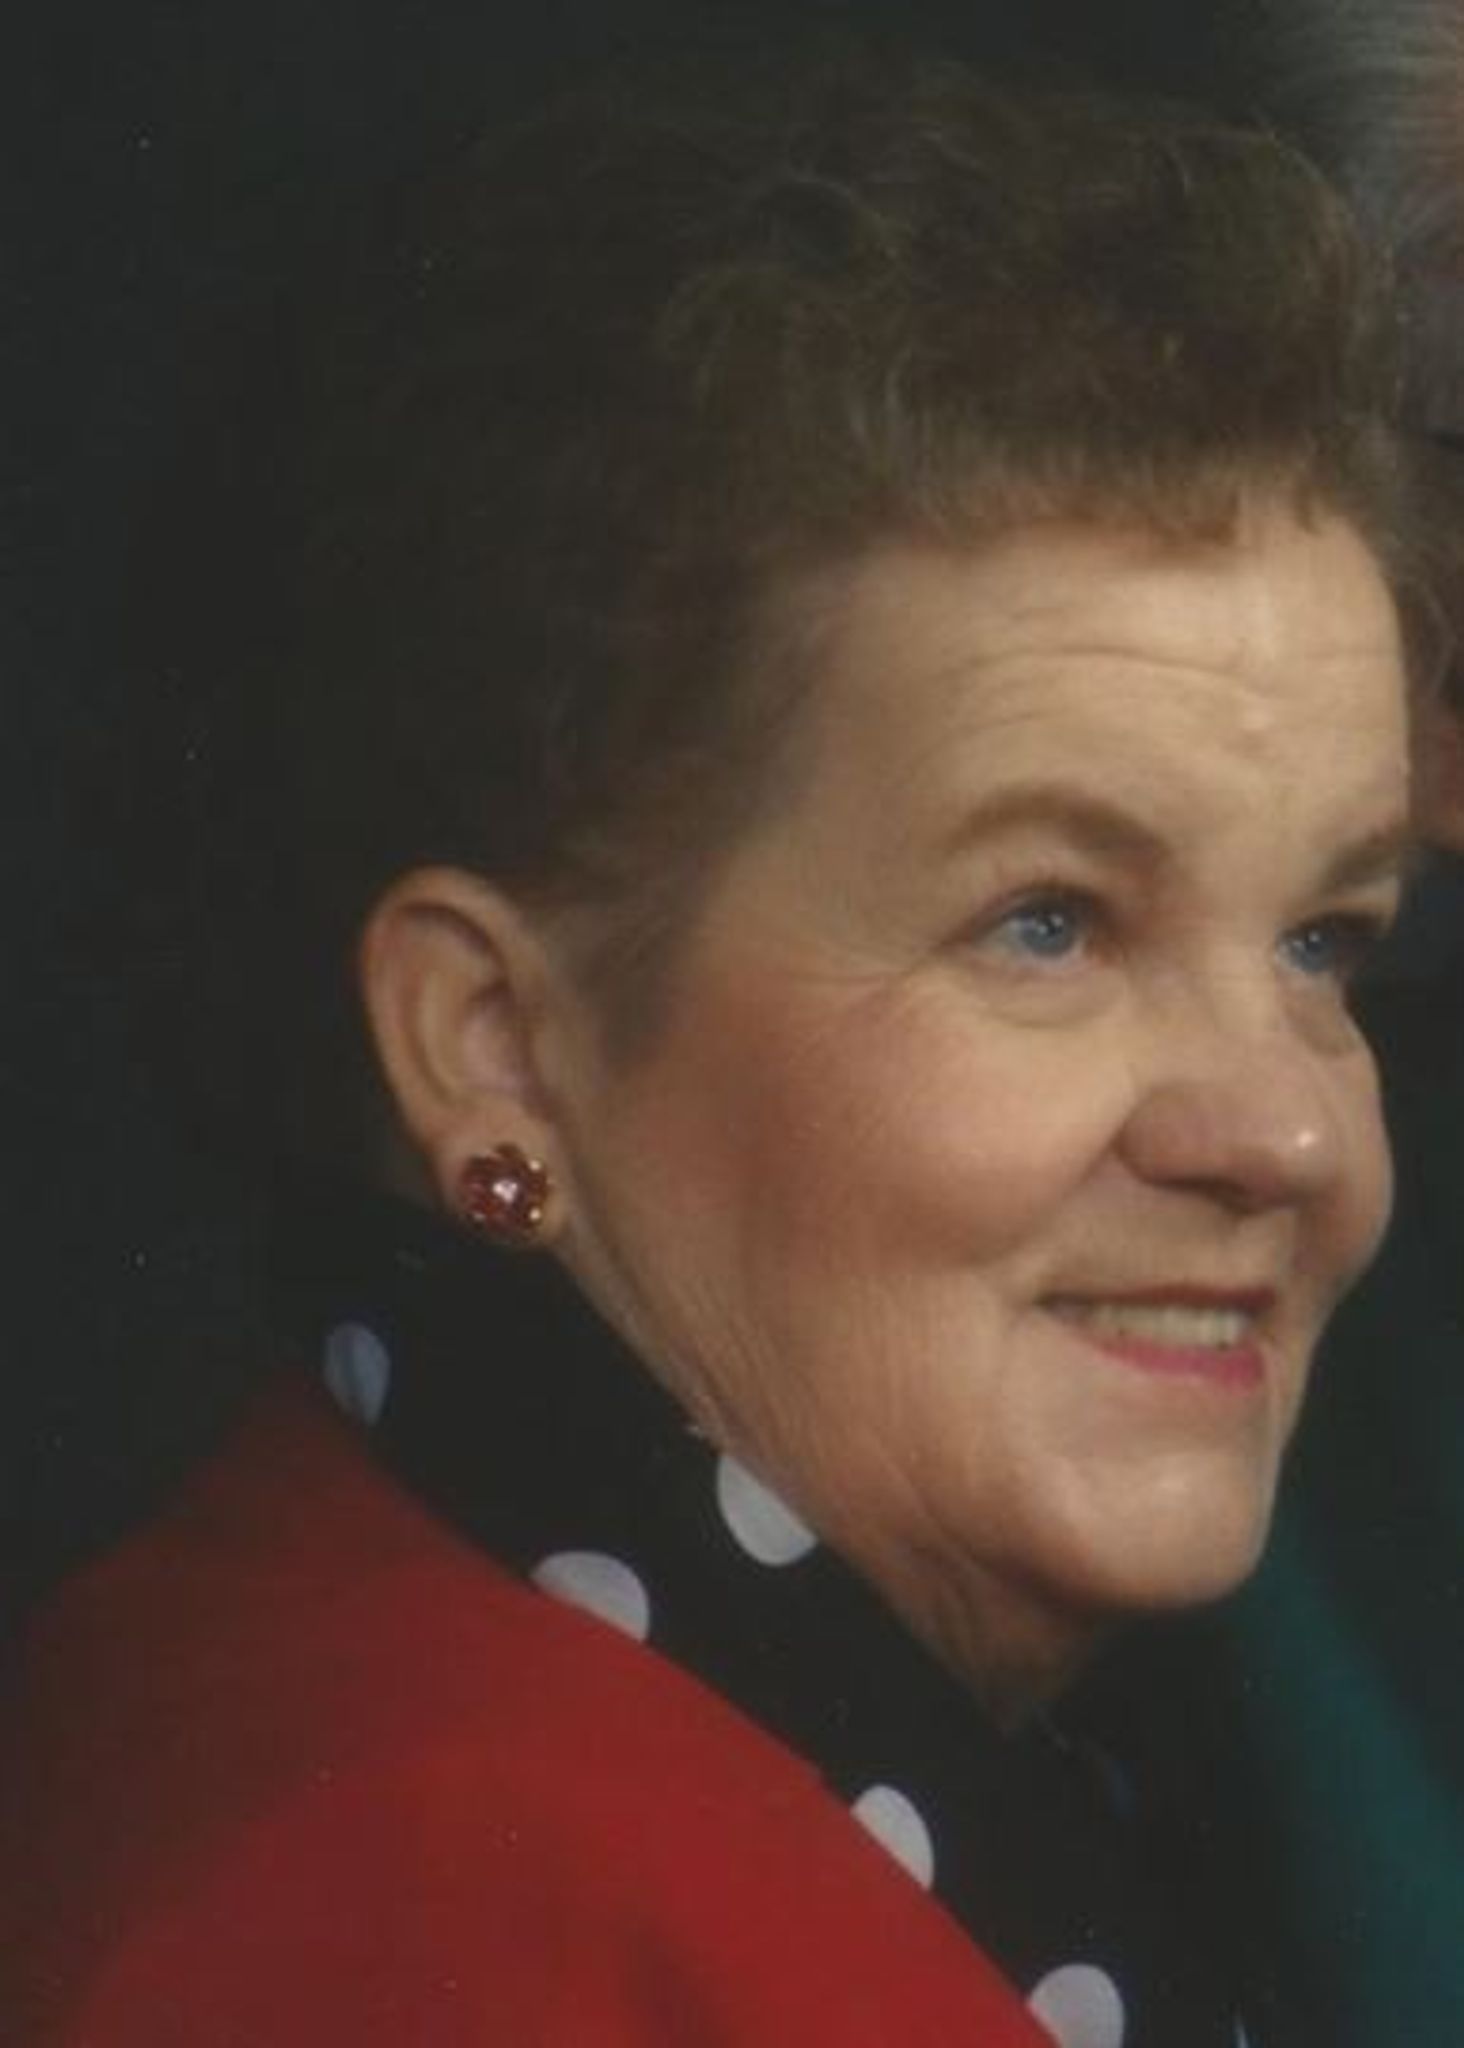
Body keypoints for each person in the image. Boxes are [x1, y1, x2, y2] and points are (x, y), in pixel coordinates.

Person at [0, 42, 1420, 2046]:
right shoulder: (417, 1910)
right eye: (1049, 922)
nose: (1292, 1135)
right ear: (496, 1044)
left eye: (1323, 941)